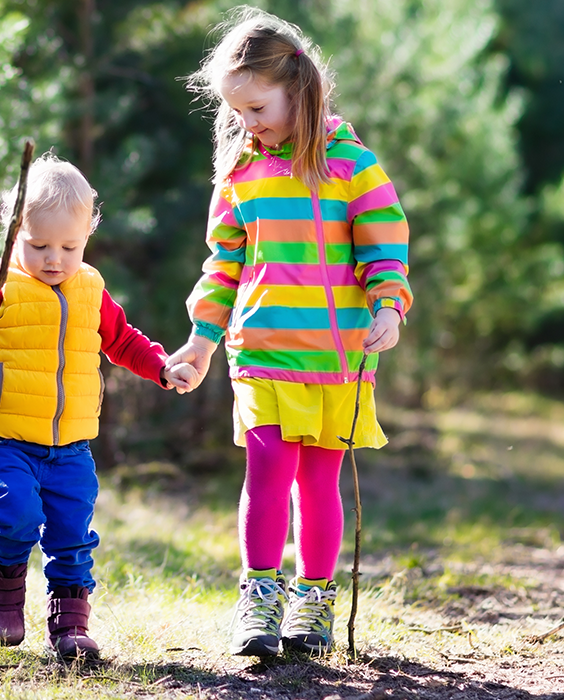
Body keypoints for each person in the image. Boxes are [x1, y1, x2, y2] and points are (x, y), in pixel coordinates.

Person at [164, 7, 412, 657]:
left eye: (256, 107)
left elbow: (383, 244)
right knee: (269, 470)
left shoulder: (351, 164)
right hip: (263, 351)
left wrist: (389, 305)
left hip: (336, 358)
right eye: (237, 112)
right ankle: (260, 599)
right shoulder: (242, 173)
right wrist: (200, 338)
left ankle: (314, 601)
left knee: (318, 482)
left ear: (296, 87)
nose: (247, 122)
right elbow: (223, 264)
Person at [0, 154, 195, 659]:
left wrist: (161, 366)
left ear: (87, 237)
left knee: (73, 533)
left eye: (69, 247)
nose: (55, 258)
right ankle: (5, 597)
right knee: (16, 514)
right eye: (39, 245)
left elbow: (122, 341)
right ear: (14, 233)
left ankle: (70, 625)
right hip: (7, 436)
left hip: (72, 444)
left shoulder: (90, 287)